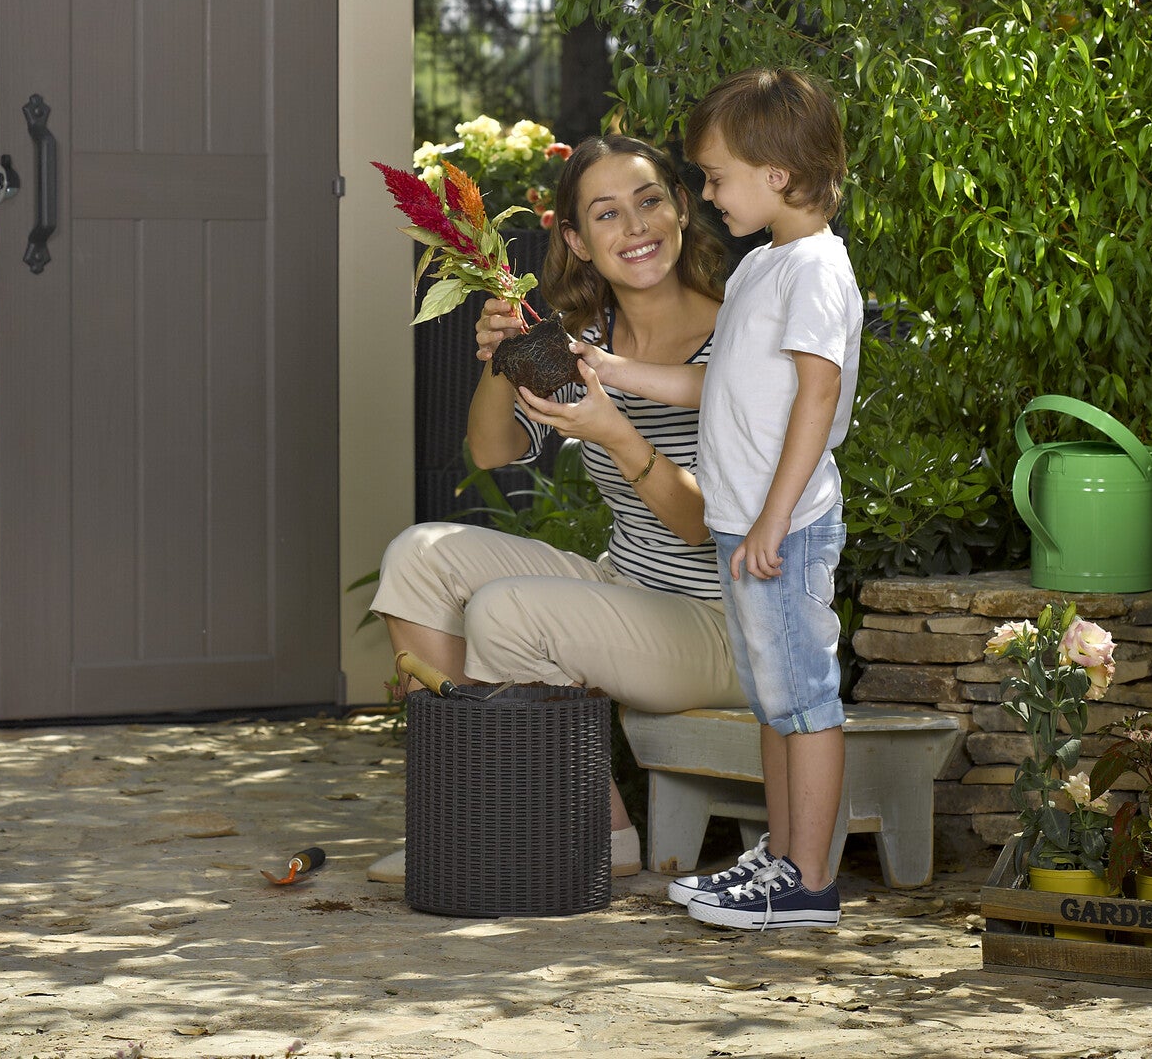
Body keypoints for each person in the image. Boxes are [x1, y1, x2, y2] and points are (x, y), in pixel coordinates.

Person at [365, 135, 747, 886]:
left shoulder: (734, 333)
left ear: (679, 209)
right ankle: (467, 807)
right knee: (420, 554)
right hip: (628, 587)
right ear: (575, 239)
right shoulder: (587, 341)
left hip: (720, 621)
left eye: (649, 202)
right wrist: (504, 356)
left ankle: (589, 832)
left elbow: (709, 526)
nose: (635, 228)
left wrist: (615, 430)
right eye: (607, 214)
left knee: (509, 610)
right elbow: (491, 451)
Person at [636, 67, 862, 930]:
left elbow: (816, 396)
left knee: (803, 699)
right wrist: (614, 373)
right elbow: (716, 384)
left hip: (786, 529)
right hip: (748, 527)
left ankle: (808, 882)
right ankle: (784, 858)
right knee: (777, 697)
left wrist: (772, 520)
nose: (704, 193)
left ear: (776, 174)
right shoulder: (763, 268)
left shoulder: (814, 269)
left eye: (716, 177)